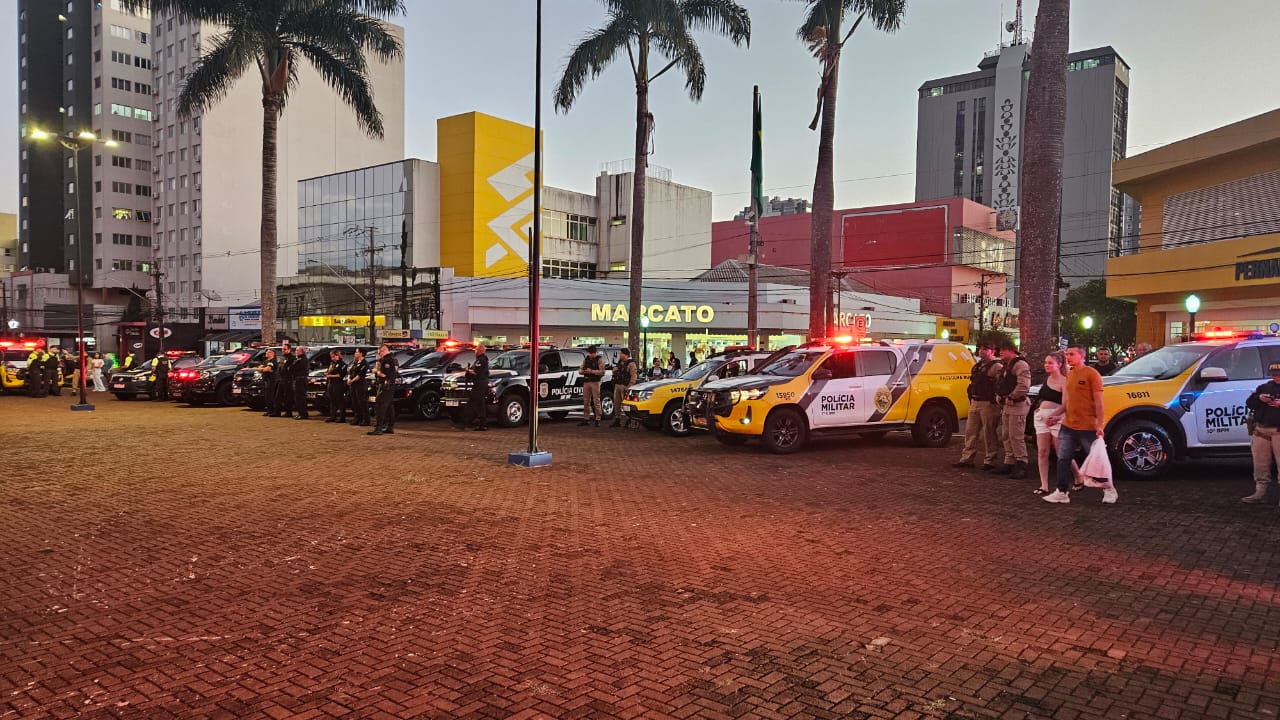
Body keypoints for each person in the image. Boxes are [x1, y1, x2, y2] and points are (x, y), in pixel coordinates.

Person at [1044, 346, 1116, 504]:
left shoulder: (1091, 374)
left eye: (1072, 354)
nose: (1068, 357)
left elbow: (1099, 402)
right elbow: (1068, 401)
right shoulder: (1070, 375)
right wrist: (1055, 415)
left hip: (1087, 426)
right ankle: (1062, 491)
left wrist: (1100, 424)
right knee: (1063, 459)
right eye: (1067, 354)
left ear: (1082, 356)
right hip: (1069, 424)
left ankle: (1109, 489)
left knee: (1097, 459)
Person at [1032, 352, 1080, 495]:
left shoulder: (1065, 381)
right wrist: (1038, 409)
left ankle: (1078, 475)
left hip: (1057, 418)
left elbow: (1066, 404)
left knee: (1061, 452)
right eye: (1046, 362)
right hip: (1041, 418)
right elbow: (1042, 397)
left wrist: (1055, 416)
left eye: (1050, 363)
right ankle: (1044, 485)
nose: (1047, 365)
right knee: (1042, 452)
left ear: (1059, 365)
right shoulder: (1046, 379)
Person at [953, 343, 1004, 472]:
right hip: (975, 401)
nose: (981, 351)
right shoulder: (977, 366)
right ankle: (967, 458)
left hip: (988, 403)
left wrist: (996, 399)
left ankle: (990, 460)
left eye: (985, 349)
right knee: (970, 432)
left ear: (992, 351)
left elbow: (1000, 385)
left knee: (989, 433)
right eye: (980, 349)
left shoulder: (996, 366)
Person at [993, 340, 1032, 479]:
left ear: (1011, 350)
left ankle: (1021, 463)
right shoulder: (1007, 365)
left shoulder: (1020, 365)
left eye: (1003, 350)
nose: (1000, 353)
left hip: (1017, 404)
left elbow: (1024, 385)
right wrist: (1000, 395)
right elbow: (1003, 382)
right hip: (1008, 404)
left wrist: (1011, 396)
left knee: (1016, 436)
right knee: (1006, 435)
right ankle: (1009, 462)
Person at [1243, 362, 1280, 504]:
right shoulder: (1264, 387)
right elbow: (1249, 403)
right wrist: (1259, 398)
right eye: (1274, 375)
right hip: (1261, 430)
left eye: (1279, 375)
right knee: (1260, 464)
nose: (1276, 377)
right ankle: (1260, 491)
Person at [368, 345, 399, 435]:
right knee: (389, 407)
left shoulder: (387, 360)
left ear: (383, 350)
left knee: (380, 406)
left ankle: (379, 428)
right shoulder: (393, 359)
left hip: (386, 386)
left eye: (379, 352)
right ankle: (390, 427)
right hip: (390, 386)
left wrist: (376, 371)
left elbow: (384, 374)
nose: (378, 354)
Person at [610, 347, 639, 428]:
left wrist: (629, 386)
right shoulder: (620, 362)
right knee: (616, 403)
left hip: (625, 386)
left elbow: (634, 376)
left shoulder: (631, 364)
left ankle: (628, 419)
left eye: (621, 353)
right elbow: (615, 371)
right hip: (618, 385)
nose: (620, 355)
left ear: (626, 355)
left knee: (626, 404)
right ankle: (617, 419)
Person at [465, 343, 490, 431]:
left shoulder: (481, 360)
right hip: (481, 383)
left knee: (474, 402)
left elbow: (477, 372)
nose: (475, 351)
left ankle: (466, 421)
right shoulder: (481, 359)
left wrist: (469, 371)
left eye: (476, 350)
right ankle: (481, 424)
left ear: (480, 351)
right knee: (480, 403)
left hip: (480, 384)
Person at [579, 345, 605, 426]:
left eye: (591, 353)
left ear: (594, 353)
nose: (589, 354)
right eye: (589, 353)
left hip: (595, 382)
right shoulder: (586, 359)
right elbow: (580, 370)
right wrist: (584, 371)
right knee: (586, 401)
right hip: (586, 381)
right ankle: (586, 418)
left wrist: (592, 371)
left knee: (596, 401)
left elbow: (602, 372)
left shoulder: (599, 359)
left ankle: (598, 419)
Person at [347, 348, 371, 426]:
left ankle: (366, 419)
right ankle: (357, 418)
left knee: (362, 402)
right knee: (355, 402)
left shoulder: (364, 363)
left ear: (361, 353)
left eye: (356, 352)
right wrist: (349, 379)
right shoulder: (355, 362)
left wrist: (351, 381)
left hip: (360, 385)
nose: (355, 353)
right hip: (353, 385)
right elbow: (350, 371)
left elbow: (360, 375)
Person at [324, 349, 349, 423]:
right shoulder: (332, 364)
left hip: (338, 384)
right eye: (331, 357)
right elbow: (329, 371)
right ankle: (333, 416)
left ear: (338, 356)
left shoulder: (342, 364)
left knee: (340, 401)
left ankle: (342, 417)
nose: (332, 358)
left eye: (334, 356)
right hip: (331, 383)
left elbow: (340, 375)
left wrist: (330, 375)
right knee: (332, 401)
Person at [290, 346, 310, 420]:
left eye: (297, 350)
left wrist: (292, 366)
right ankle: (300, 413)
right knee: (297, 398)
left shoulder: (303, 360)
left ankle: (303, 414)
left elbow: (293, 368)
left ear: (302, 351)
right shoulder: (298, 359)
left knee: (301, 397)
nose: (296, 352)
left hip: (301, 380)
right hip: (297, 380)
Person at [260, 348, 281, 417]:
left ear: (272, 353)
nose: (266, 353)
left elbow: (267, 369)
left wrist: (264, 369)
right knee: (267, 396)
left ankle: (274, 411)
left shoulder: (273, 361)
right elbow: (259, 369)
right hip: (266, 380)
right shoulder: (265, 361)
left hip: (272, 381)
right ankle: (269, 410)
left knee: (272, 396)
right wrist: (264, 369)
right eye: (266, 352)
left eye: (268, 352)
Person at [276, 346, 295, 417]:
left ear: (289, 350)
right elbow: (280, 367)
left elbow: (290, 369)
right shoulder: (282, 357)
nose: (283, 350)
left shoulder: (291, 358)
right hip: (281, 379)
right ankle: (277, 412)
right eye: (282, 349)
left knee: (288, 397)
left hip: (288, 380)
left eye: (285, 349)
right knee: (278, 397)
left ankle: (288, 412)